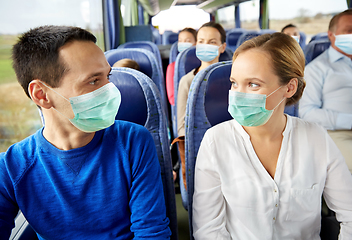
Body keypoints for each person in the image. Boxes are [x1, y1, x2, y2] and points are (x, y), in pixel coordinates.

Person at [0, 25, 171, 239]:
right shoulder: (11, 168)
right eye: (93, 81)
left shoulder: (133, 142)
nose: (111, 90)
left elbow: (151, 232)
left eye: (108, 77)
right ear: (42, 95)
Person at [192, 32, 352, 239]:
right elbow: (208, 230)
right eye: (234, 83)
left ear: (289, 87)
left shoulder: (316, 138)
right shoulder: (216, 141)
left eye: (253, 84)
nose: (238, 94)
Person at [299, 9, 352, 173]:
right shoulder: (317, 68)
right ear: (331, 35)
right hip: (337, 133)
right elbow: (307, 113)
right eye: (349, 31)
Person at [175, 22, 227, 189]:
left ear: (222, 47)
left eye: (212, 42)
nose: (206, 46)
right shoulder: (187, 81)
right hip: (200, 146)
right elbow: (182, 126)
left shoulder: (234, 78)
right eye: (201, 41)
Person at [166, 27, 197, 106]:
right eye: (180, 41)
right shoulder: (173, 67)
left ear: (196, 43)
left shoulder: (203, 64)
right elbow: (173, 99)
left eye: (187, 41)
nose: (183, 44)